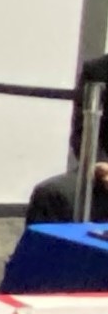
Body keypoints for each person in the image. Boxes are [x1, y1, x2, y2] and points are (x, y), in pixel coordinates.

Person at [25, 52, 108, 225]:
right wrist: (102, 167)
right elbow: (83, 132)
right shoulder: (98, 70)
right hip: (104, 173)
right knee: (51, 195)